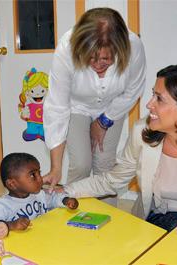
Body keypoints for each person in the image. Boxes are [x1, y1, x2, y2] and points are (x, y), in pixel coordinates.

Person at [59, 64, 177, 248]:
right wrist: (64, 190)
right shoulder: (141, 132)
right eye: (153, 95)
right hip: (165, 216)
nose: (149, 104)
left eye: (159, 99)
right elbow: (111, 180)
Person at [43, 7, 146, 206]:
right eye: (90, 58)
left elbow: (132, 91)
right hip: (76, 106)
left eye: (105, 59)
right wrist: (55, 168)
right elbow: (57, 107)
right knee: (81, 163)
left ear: (119, 51)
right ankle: (72, 215)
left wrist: (105, 120)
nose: (97, 64)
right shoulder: (66, 48)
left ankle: (107, 220)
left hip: (113, 104)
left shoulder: (133, 47)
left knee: (105, 165)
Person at [0, 152, 78, 230]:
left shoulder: (39, 195)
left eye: (39, 173)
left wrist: (66, 200)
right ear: (12, 184)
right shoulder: (3, 205)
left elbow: (53, 198)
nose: (40, 178)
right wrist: (13, 225)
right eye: (33, 175)